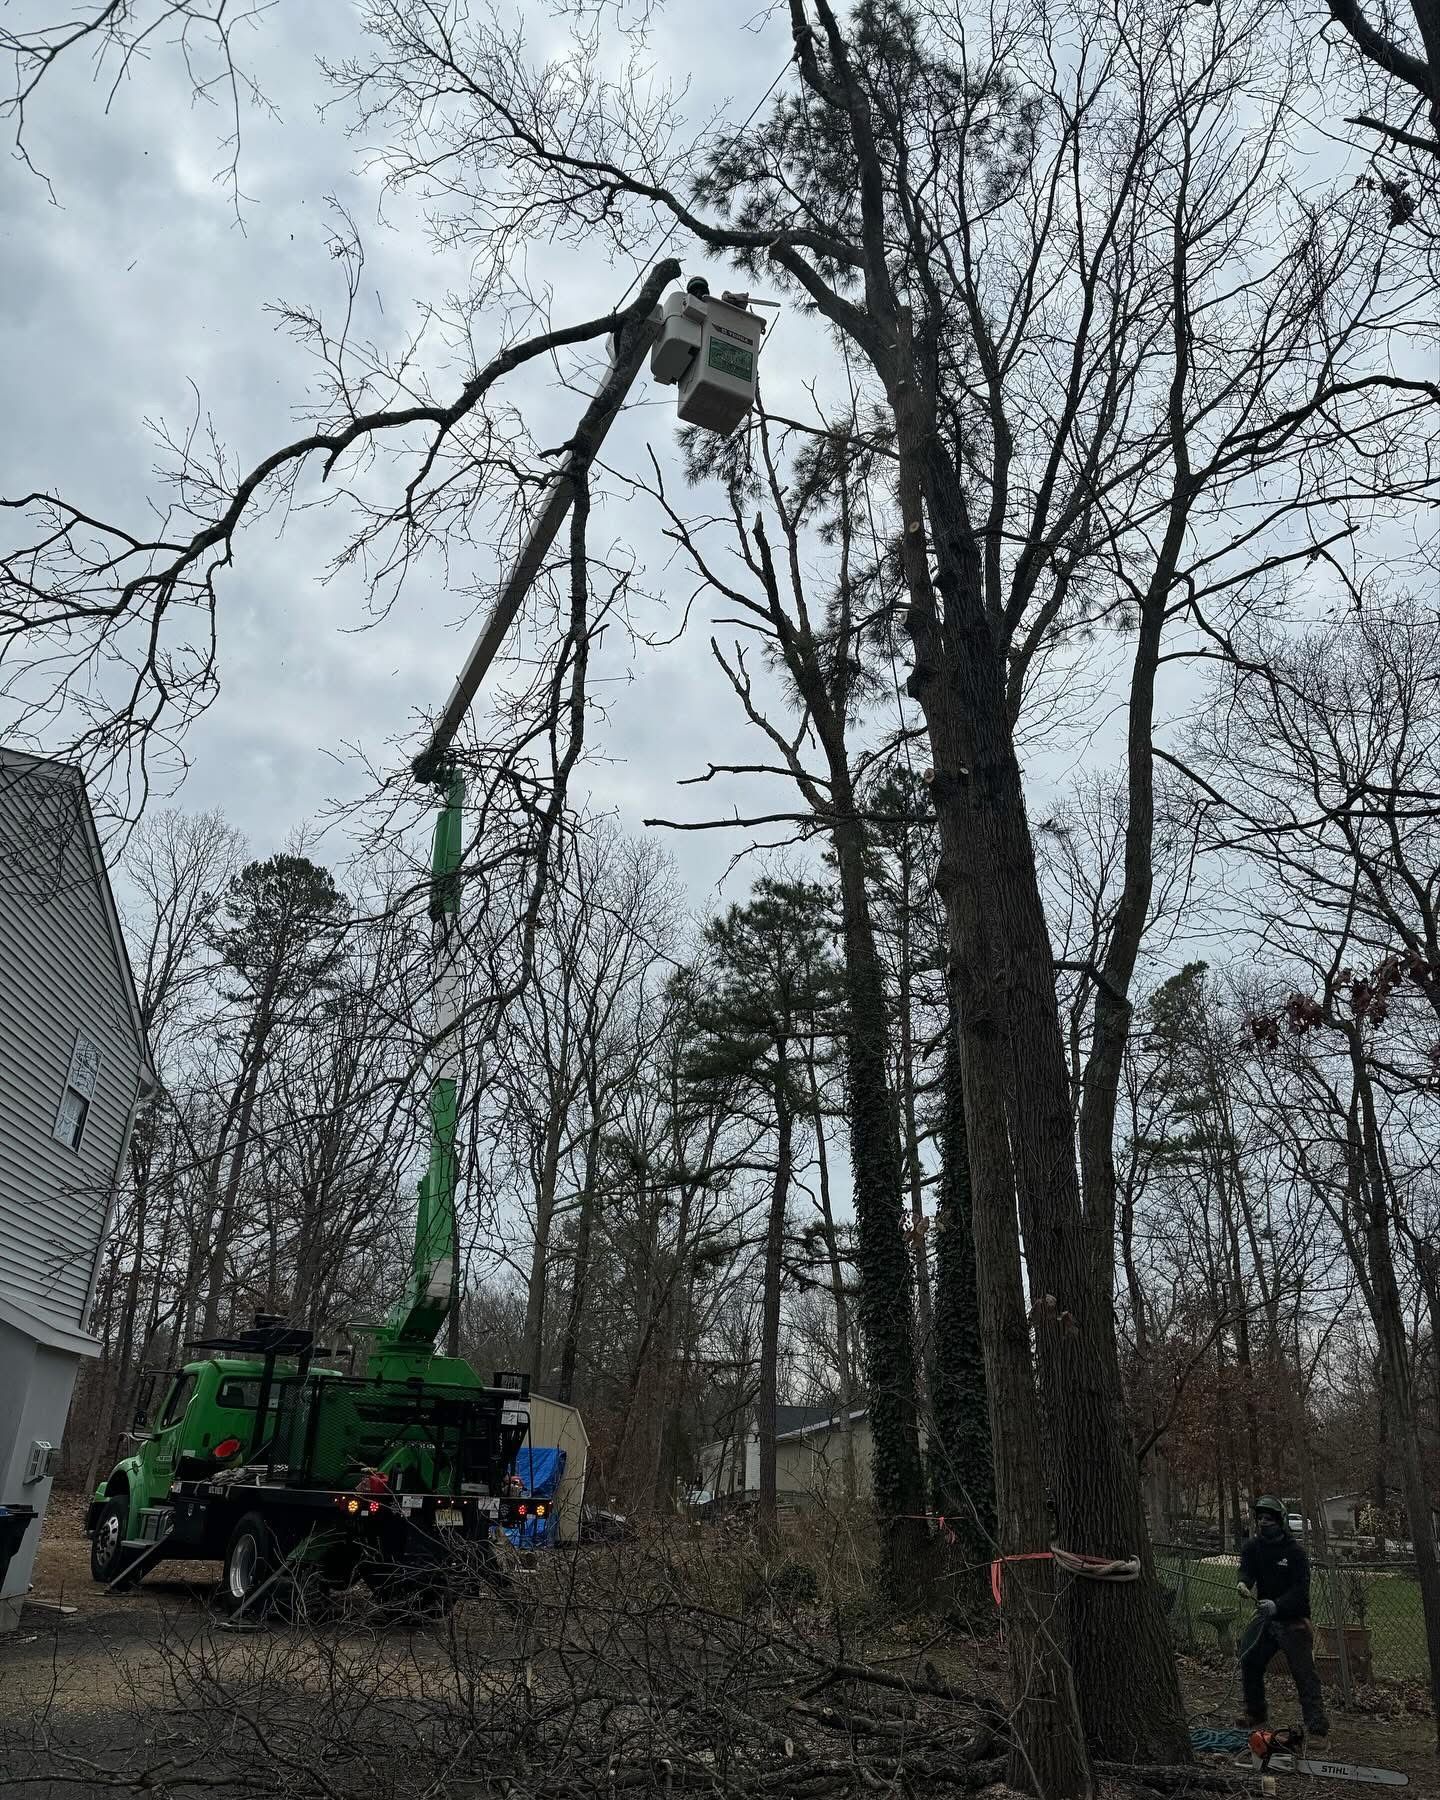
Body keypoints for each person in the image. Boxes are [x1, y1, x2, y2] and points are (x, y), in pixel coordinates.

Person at [1237, 1496, 1329, 1739]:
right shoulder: (1253, 1548)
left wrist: (1277, 1606)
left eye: (1269, 1519)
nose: (1263, 1523)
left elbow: (1301, 1590)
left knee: (1304, 1673)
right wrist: (1243, 1583)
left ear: (1281, 1521)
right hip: (1265, 1619)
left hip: (1293, 1619)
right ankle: (1255, 1712)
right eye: (1260, 1518)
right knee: (1249, 1658)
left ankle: (1317, 1727)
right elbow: (1246, 1570)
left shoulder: (1295, 1552)